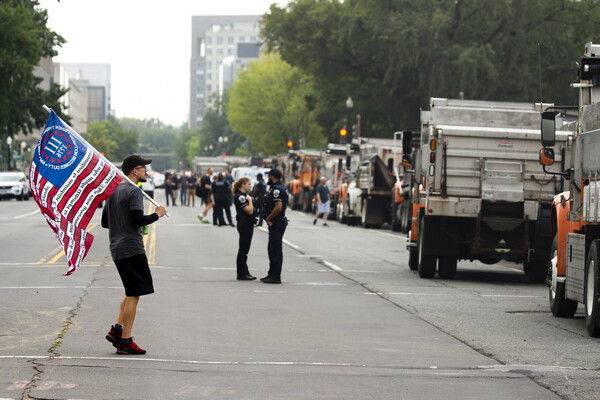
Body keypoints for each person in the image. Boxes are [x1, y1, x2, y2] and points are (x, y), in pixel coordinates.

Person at [101, 155, 168, 355]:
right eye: (143, 168)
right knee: (134, 293)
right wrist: (157, 214)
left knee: (130, 291)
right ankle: (125, 341)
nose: (146, 171)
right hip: (131, 248)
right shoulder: (133, 191)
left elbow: (106, 223)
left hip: (117, 247)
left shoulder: (113, 191)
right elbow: (138, 219)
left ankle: (117, 329)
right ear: (134, 171)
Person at [261, 168, 289, 284]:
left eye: (269, 176)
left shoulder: (277, 190)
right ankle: (271, 274)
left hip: (277, 222)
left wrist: (268, 218)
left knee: (275, 250)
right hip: (276, 221)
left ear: (273, 176)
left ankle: (275, 276)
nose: (268, 178)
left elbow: (278, 207)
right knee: (271, 249)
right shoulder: (278, 188)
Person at [232, 177, 257, 280]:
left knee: (245, 249)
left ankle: (245, 271)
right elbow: (249, 211)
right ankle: (241, 273)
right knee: (243, 250)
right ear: (242, 185)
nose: (250, 186)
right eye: (248, 184)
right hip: (244, 223)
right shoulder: (241, 197)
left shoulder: (244, 196)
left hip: (247, 223)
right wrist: (250, 200)